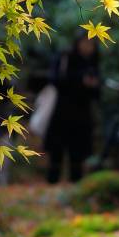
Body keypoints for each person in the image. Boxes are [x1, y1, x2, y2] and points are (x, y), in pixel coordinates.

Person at [44, 33, 100, 184]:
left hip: (82, 115)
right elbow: (55, 80)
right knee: (56, 152)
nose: (88, 47)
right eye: (85, 42)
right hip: (61, 112)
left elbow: (97, 93)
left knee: (78, 154)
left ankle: (76, 184)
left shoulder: (93, 62)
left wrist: (93, 85)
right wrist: (79, 81)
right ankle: (52, 183)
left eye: (91, 44)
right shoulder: (65, 58)